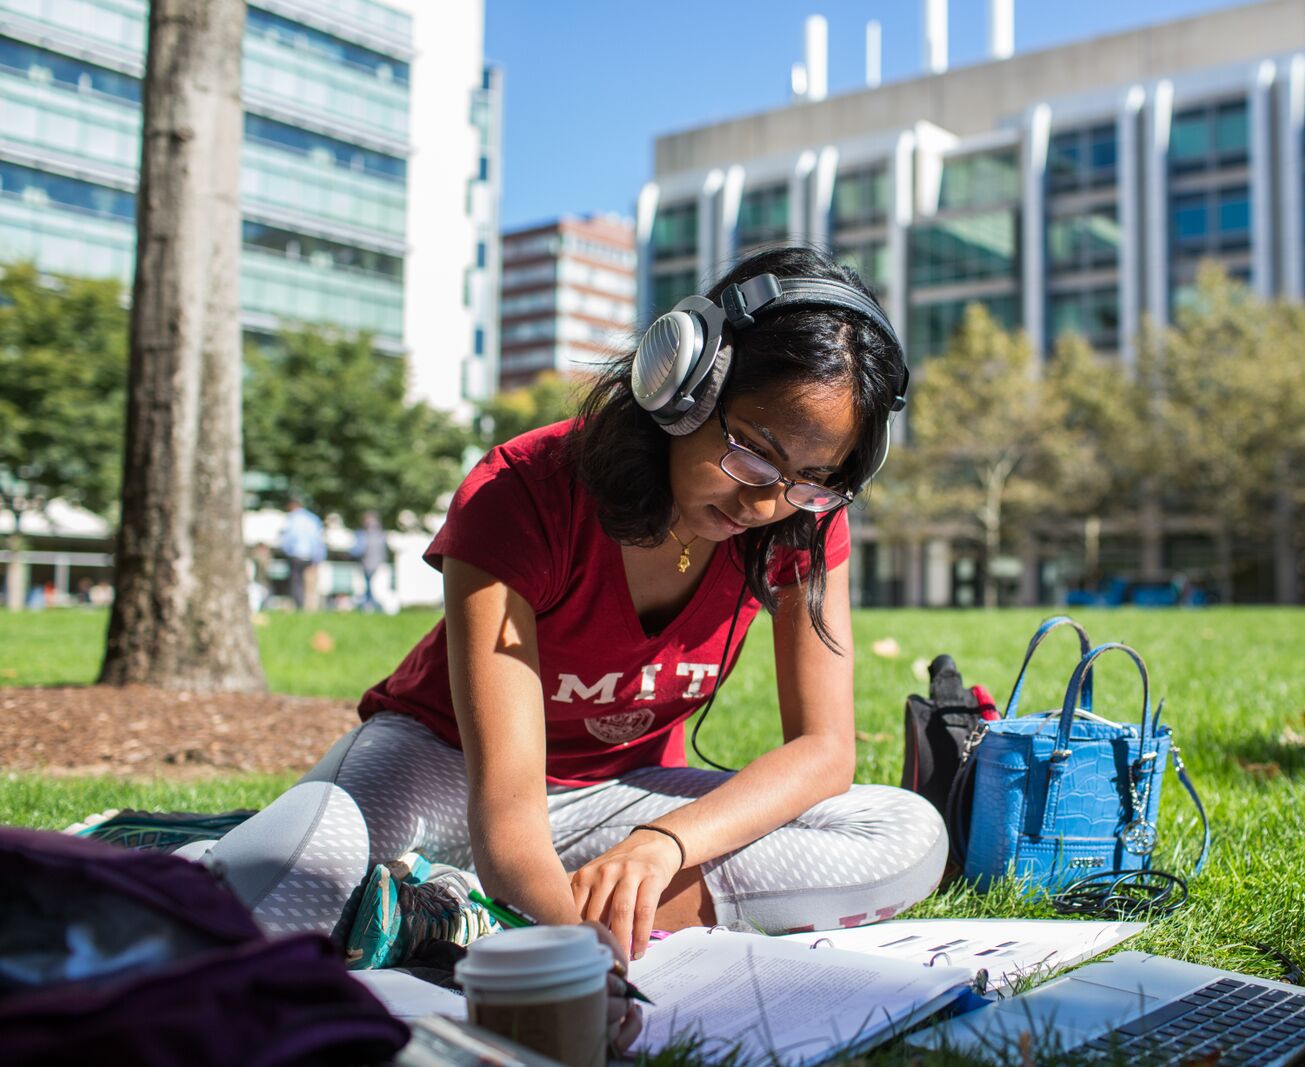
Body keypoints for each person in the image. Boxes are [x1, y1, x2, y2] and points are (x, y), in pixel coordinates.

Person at [104, 248, 945, 1052]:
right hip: (443, 771)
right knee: (308, 864)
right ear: (686, 382)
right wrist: (579, 959)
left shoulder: (803, 520)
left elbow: (824, 749)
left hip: (611, 804)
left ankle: (440, 913)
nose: (768, 501)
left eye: (811, 476)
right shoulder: (522, 490)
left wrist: (665, 844)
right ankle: (251, 862)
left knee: (905, 832)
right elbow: (508, 815)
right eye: (755, 450)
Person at [279, 498, 325, 611]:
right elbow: (318, 540)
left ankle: (299, 605)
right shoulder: (313, 519)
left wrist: (286, 551)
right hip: (311, 556)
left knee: (296, 582)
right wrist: (318, 558)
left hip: (296, 555)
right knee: (310, 584)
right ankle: (310, 608)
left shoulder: (292, 519)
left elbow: (287, 539)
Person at [352, 510, 388, 613]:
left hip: (374, 566)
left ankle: (373, 606)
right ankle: (369, 606)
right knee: (368, 588)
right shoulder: (377, 534)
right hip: (367, 565)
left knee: (374, 588)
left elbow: (359, 550)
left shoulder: (369, 535)